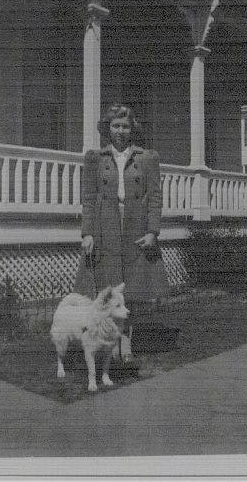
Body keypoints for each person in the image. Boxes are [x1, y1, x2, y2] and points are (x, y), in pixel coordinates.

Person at [73, 103, 170, 362]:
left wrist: (152, 231)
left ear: (133, 129)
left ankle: (125, 342)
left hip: (135, 229)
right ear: (108, 128)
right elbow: (89, 199)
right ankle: (111, 342)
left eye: (125, 126)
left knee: (133, 293)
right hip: (106, 231)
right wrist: (88, 233)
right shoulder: (95, 158)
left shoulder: (147, 158)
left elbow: (155, 198)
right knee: (107, 290)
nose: (120, 131)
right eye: (115, 125)